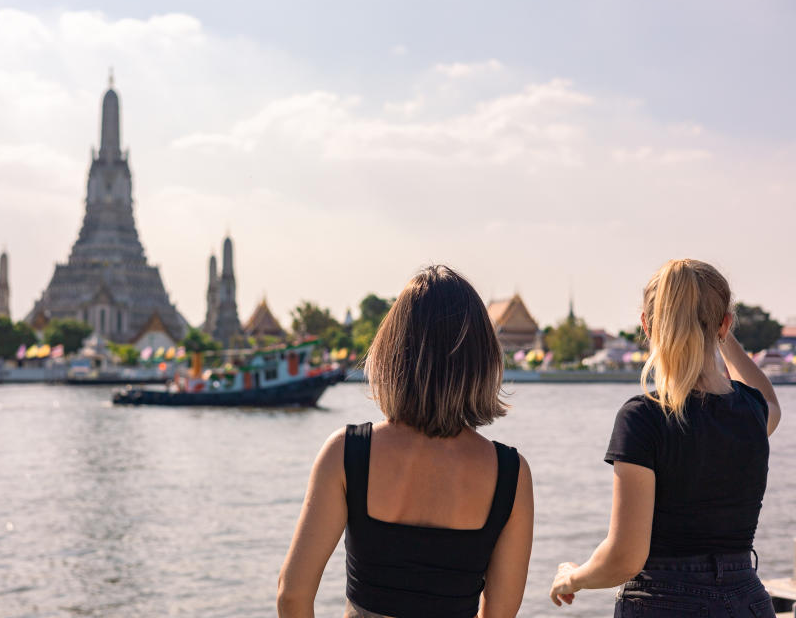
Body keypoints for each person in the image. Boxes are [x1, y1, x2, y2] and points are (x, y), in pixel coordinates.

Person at [278, 265, 533, 618]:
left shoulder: (347, 452)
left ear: (391, 354)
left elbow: (292, 596)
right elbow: (501, 613)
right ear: (483, 361)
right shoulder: (511, 473)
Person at [549, 259, 782, 616]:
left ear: (646, 324)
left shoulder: (643, 418)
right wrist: (720, 331)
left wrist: (573, 578)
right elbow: (768, 398)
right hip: (746, 600)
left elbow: (625, 557)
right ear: (725, 324)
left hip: (664, 602)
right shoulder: (752, 412)